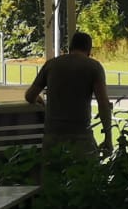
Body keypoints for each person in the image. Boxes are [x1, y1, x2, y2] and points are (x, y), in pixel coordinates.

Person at [24, 30, 113, 158]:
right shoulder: (93, 67)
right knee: (88, 176)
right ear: (89, 50)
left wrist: (38, 99)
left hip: (52, 137)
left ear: (70, 47)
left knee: (53, 177)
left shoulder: (51, 65)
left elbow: (29, 96)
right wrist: (108, 139)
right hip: (81, 137)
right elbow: (103, 104)